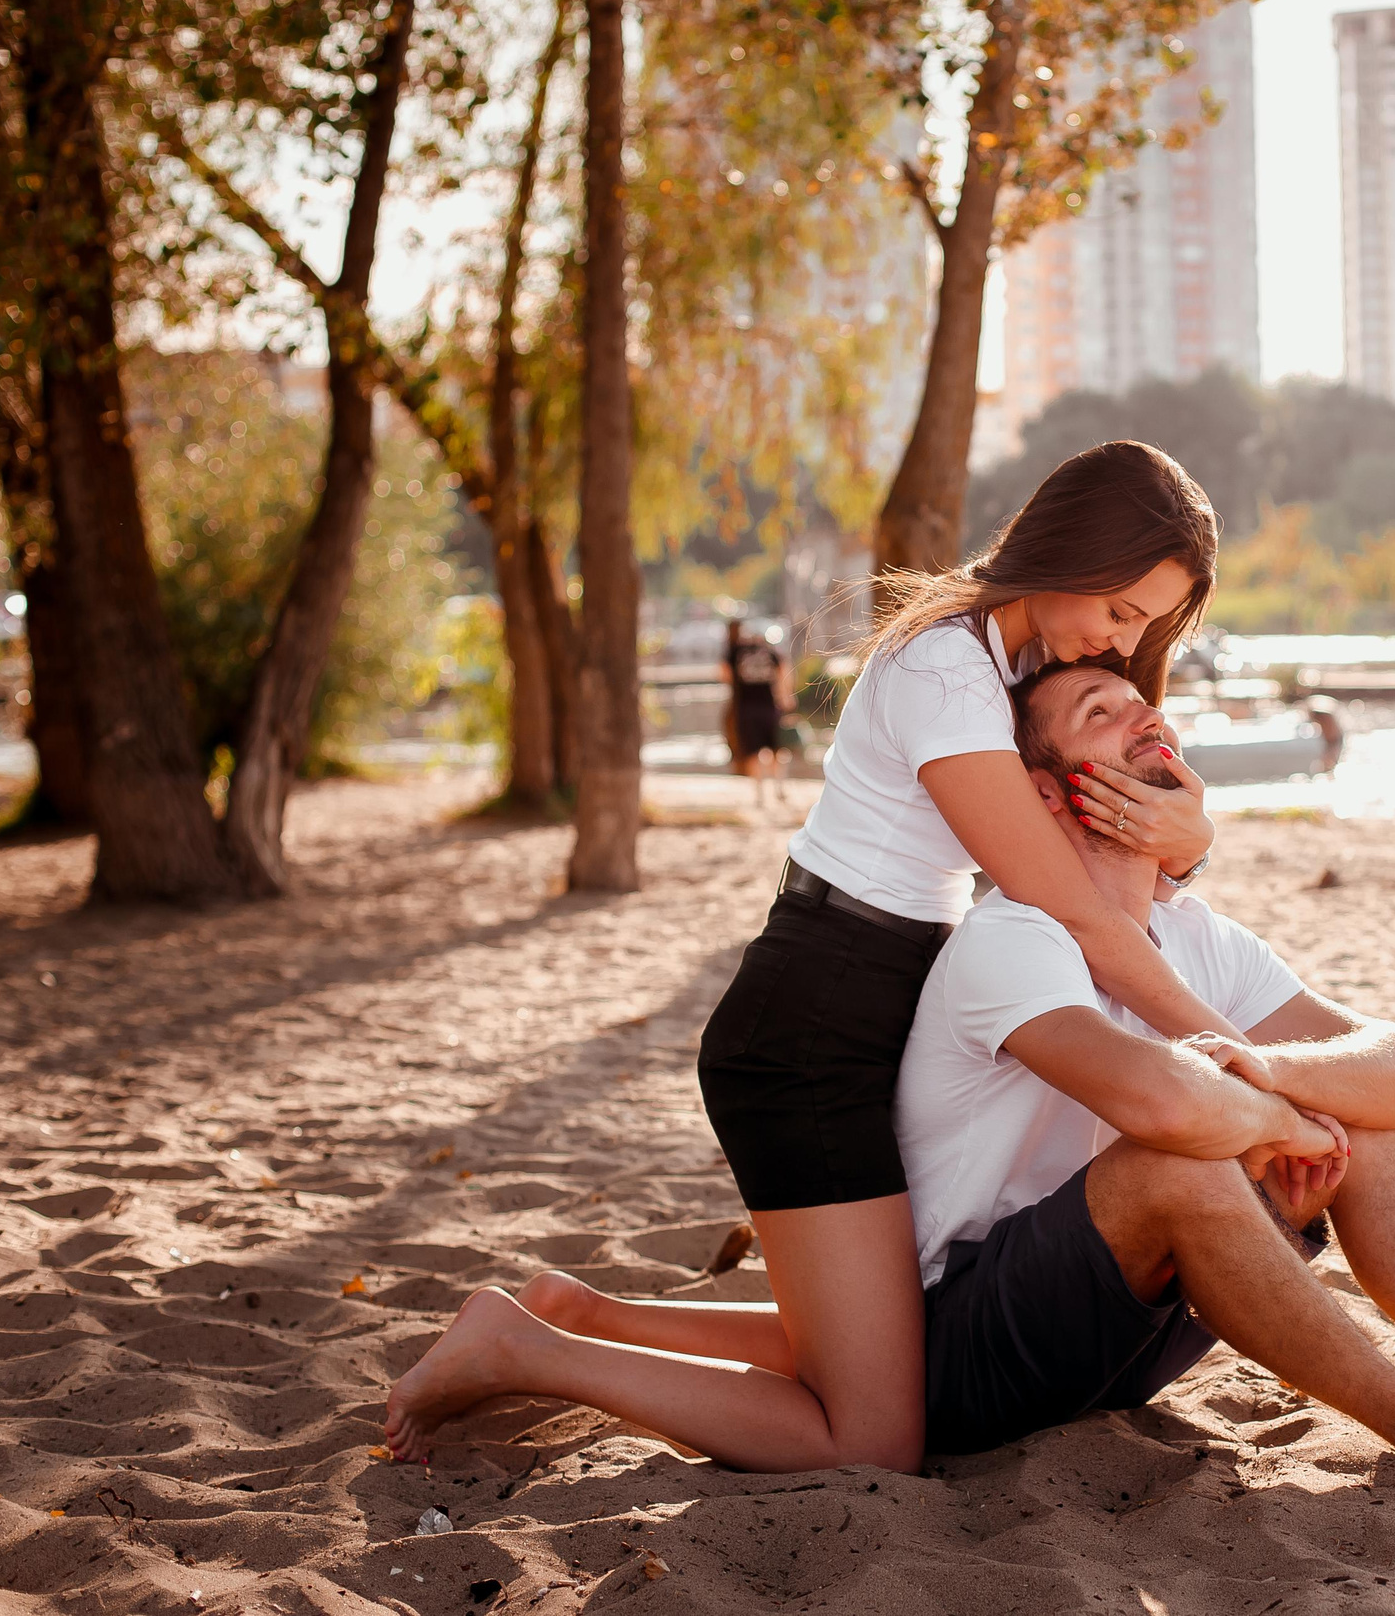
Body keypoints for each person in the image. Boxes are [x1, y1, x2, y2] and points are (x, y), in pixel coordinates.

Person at [385, 442, 1239, 1471]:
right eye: (1119, 608)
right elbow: (1079, 914)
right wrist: (1237, 1055)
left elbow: (1103, 871)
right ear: (1068, 548)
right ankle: (524, 1349)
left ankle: (583, 1315)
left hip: (877, 1009)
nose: (1121, 638)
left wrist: (1187, 850)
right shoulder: (946, 665)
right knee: (870, 1434)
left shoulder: (1017, 663)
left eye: (1144, 625)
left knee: (881, 1341)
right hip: (810, 1027)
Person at [892, 662, 1395, 1478]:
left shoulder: (1193, 935)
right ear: (1044, 793)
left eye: (1145, 703)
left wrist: (1274, 1070)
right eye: (1100, 711)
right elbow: (1165, 1104)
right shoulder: (1013, 936)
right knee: (1177, 1167)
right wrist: (1285, 1123)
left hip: (1124, 1350)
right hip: (969, 1352)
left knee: (1352, 1106)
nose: (1145, 717)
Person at [720, 617, 793, 808]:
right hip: (770, 707)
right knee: (778, 750)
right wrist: (786, 698)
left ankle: (759, 793)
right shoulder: (771, 651)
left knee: (753, 751)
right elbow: (784, 673)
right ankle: (779, 788)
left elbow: (723, 674)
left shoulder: (736, 651)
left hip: (746, 707)